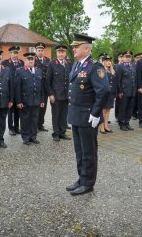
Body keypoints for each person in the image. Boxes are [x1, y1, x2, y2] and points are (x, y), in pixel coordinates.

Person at [66, 33, 109, 196]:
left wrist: (96, 113)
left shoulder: (95, 67)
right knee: (79, 151)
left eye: (76, 46)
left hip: (87, 117)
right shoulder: (77, 65)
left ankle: (88, 183)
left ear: (86, 48)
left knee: (88, 152)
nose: (73, 49)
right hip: (76, 116)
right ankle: (81, 179)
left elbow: (103, 91)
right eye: (73, 46)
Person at [15, 52, 44, 145]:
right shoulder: (20, 71)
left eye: (32, 59)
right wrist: (18, 101)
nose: (31, 61)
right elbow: (17, 88)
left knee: (34, 119)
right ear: (25, 61)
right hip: (25, 101)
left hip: (36, 100)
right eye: (29, 59)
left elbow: (42, 87)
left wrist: (42, 100)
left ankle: (33, 137)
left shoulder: (39, 70)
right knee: (25, 120)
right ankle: (26, 138)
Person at [45, 44, 72, 142]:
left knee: (64, 115)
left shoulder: (69, 63)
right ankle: (56, 133)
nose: (61, 54)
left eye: (63, 52)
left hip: (66, 95)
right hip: (56, 95)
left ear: (66, 53)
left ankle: (62, 132)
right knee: (56, 115)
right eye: (59, 52)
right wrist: (50, 94)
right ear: (56, 53)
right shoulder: (52, 64)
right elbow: (48, 81)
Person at [2, 46, 24, 135]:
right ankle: (11, 128)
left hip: (19, 91)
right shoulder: (5, 63)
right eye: (13, 53)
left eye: (16, 53)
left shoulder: (21, 63)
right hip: (9, 91)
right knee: (10, 111)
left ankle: (16, 127)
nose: (15, 55)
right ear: (10, 53)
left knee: (18, 110)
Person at [115, 50, 137, 131]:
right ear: (123, 58)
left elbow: (135, 79)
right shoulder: (120, 67)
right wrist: (119, 92)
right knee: (123, 108)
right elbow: (118, 80)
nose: (128, 58)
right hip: (124, 92)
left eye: (129, 57)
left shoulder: (132, 66)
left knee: (130, 108)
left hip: (132, 91)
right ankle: (122, 124)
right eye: (126, 57)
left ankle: (127, 122)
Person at [34, 42, 51, 132]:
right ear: (36, 51)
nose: (40, 52)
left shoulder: (48, 60)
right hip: (36, 86)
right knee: (36, 106)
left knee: (43, 107)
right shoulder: (33, 60)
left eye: (42, 50)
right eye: (39, 50)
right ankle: (35, 125)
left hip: (45, 87)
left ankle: (41, 124)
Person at [100, 54, 116, 134]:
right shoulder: (102, 71)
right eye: (107, 61)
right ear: (103, 62)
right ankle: (102, 127)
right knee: (103, 111)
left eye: (110, 61)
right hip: (104, 94)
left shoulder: (112, 71)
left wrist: (115, 94)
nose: (109, 62)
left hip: (111, 94)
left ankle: (106, 126)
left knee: (108, 110)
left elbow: (114, 84)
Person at [132, 53, 142, 120]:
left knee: (140, 101)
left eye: (141, 58)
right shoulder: (132, 66)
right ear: (135, 59)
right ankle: (133, 113)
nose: (140, 59)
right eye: (138, 58)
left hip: (141, 85)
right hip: (134, 86)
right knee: (134, 101)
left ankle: (139, 113)